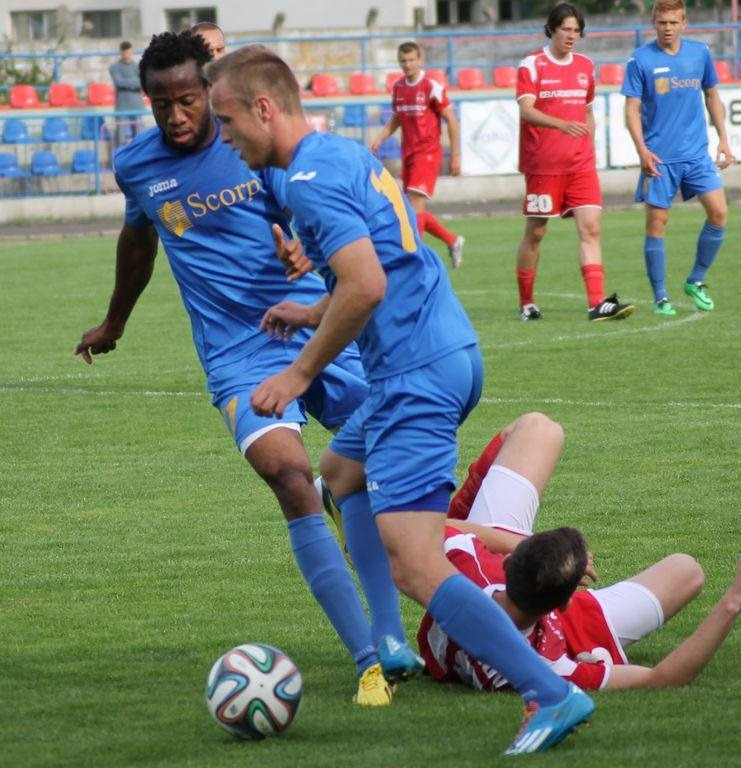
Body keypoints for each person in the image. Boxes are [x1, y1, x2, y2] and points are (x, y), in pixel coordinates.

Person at [207, 46, 594, 756]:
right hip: (440, 353)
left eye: (227, 121)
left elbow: (367, 286)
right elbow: (383, 262)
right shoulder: (339, 154)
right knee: (339, 472)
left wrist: (298, 373)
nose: (223, 138)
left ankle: (549, 691)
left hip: (416, 375)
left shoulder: (308, 182)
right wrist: (311, 310)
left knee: (416, 564)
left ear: (264, 108)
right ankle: (389, 641)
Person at [75, 31, 398, 708]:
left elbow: (309, 212)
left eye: (187, 100)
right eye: (161, 104)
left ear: (209, 91)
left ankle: (404, 627)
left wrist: (303, 252)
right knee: (289, 475)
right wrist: (114, 323)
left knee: (382, 466)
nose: (176, 116)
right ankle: (369, 661)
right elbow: (138, 243)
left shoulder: (248, 142)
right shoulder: (137, 165)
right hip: (237, 354)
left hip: (313, 324)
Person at [419, 413, 741, 691]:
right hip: (582, 632)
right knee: (688, 571)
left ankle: (476, 513)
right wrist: (732, 602)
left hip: (505, 585)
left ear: (509, 561)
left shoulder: (466, 567)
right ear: (564, 602)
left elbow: (427, 529)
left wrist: (534, 548)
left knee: (538, 428)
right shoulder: (547, 665)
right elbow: (662, 678)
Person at [515, 4, 635, 322]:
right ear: (552, 30)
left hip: (581, 165)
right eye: (566, 29)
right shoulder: (532, 65)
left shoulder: (585, 65)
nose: (571, 36)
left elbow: (587, 112)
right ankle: (527, 303)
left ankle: (596, 304)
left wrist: (588, 147)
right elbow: (526, 110)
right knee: (536, 232)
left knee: (591, 228)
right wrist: (561, 125)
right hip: (543, 166)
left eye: (576, 31)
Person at [622, 0, 735, 315]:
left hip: (697, 155)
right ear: (654, 24)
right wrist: (642, 150)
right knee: (657, 224)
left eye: (673, 22)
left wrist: (724, 139)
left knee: (719, 213)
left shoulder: (699, 53)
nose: (667, 28)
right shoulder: (640, 60)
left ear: (684, 23)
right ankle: (661, 298)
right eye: (662, 23)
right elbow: (631, 110)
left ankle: (695, 280)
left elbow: (712, 95)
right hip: (660, 158)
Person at [370, 41, 465, 268]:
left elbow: (451, 120)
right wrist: (380, 138)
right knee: (411, 209)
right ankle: (453, 240)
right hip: (409, 155)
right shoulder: (399, 87)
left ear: (420, 60)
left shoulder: (431, 86)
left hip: (428, 154)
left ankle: (413, 259)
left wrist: (455, 155)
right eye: (403, 61)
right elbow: (397, 117)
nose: (408, 65)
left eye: (412, 60)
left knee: (413, 208)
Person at [109, 41, 145, 145]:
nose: (126, 54)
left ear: (131, 51)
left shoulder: (138, 66)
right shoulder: (114, 67)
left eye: (128, 52)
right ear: (121, 52)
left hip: (136, 106)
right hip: (122, 107)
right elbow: (119, 82)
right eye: (124, 52)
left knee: (139, 138)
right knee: (120, 139)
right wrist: (135, 81)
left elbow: (143, 83)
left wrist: (128, 82)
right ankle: (119, 154)